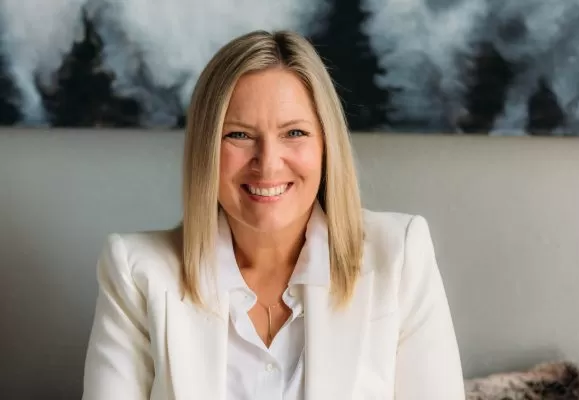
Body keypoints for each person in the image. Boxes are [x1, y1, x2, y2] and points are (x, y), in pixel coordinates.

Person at [82, 30, 465, 399]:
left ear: (326, 145)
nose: (267, 163)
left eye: (294, 133)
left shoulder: (399, 255)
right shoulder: (135, 271)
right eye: (239, 135)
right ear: (205, 149)